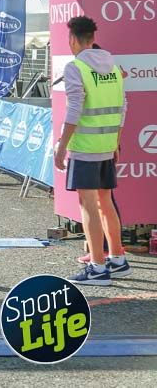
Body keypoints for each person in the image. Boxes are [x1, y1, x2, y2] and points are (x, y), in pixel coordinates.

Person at [55, 16, 129, 286]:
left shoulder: (76, 68)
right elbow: (123, 106)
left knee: (88, 205)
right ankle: (118, 259)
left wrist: (62, 146)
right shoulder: (113, 66)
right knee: (105, 202)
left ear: (73, 39)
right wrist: (116, 142)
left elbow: (74, 109)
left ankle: (98, 267)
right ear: (92, 38)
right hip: (106, 145)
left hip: (85, 147)